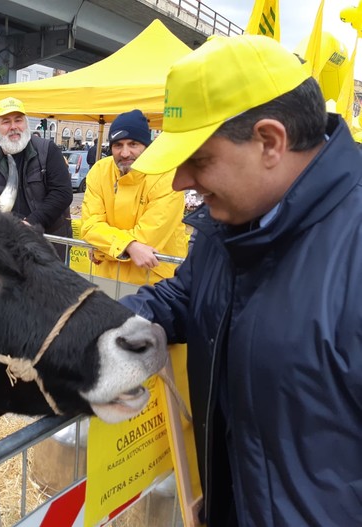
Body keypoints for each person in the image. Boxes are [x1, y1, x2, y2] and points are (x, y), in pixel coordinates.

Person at [119, 34, 362, 526]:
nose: (179, 181)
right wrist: (98, 326)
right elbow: (186, 297)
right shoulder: (230, 224)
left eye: (199, 158)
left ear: (270, 141)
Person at [80, 110, 188, 285]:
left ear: (146, 146)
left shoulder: (167, 175)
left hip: (154, 282)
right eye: (118, 145)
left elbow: (148, 240)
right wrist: (129, 246)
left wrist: (100, 250)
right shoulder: (100, 171)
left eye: (133, 144)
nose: (124, 153)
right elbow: (89, 226)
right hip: (107, 278)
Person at [0, 96, 73, 259]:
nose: (13, 127)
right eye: (6, 122)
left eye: (18, 120)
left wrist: (30, 223)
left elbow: (62, 193)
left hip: (49, 246)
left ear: (26, 123)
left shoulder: (48, 151)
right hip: (8, 247)